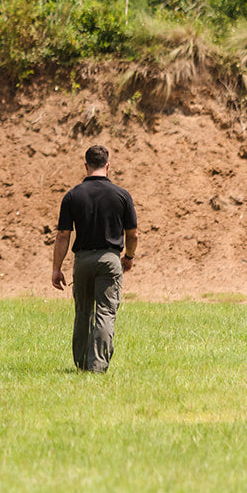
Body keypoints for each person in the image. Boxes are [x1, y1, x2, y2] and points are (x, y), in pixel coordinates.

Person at [51, 144, 139, 373]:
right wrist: (128, 257)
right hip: (110, 259)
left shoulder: (72, 195)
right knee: (106, 311)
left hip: (82, 260)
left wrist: (56, 268)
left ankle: (81, 364)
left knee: (83, 312)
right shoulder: (122, 195)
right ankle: (97, 366)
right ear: (108, 166)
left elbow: (62, 235)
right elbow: (133, 234)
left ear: (85, 166)